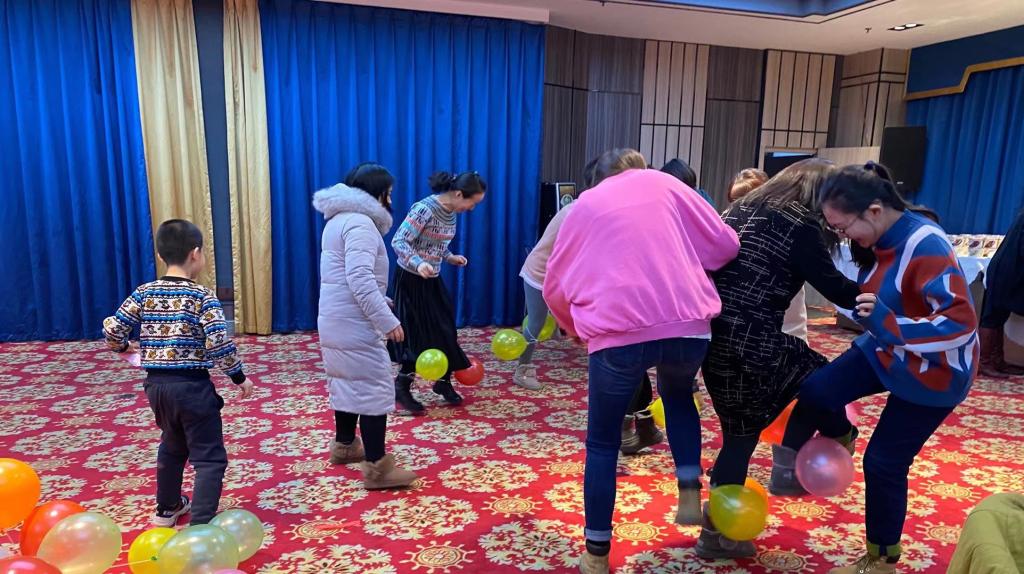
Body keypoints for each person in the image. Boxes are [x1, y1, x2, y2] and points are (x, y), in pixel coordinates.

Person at [544, 148, 740, 574]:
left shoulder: (585, 204)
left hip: (618, 333)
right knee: (678, 397)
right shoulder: (669, 184)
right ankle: (688, 488)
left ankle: (597, 553)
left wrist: (572, 328)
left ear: (598, 179)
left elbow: (553, 283)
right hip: (688, 325)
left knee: (602, 442)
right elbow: (726, 246)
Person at [781, 162, 978, 574]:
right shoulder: (878, 239)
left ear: (873, 210)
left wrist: (889, 323)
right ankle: (843, 435)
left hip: (936, 370)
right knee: (816, 391)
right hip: (888, 347)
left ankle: (882, 559)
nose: (843, 237)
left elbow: (961, 324)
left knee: (884, 463)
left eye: (843, 228)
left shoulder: (927, 244)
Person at [698, 159, 862, 558]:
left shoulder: (737, 210)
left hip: (713, 339)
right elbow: (835, 288)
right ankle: (838, 438)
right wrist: (886, 295)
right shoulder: (799, 223)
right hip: (755, 341)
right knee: (824, 382)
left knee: (739, 437)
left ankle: (716, 531)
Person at [102, 219, 253, 527]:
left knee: (172, 445)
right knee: (209, 457)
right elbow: (218, 342)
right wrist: (238, 376)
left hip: (157, 388)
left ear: (161, 256)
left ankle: (167, 508)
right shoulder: (202, 297)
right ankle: (201, 525)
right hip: (193, 387)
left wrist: (124, 348)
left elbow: (113, 329)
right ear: (196, 254)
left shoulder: (144, 292)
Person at [314, 163, 416, 490]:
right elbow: (359, 278)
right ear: (377, 193)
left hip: (337, 318)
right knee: (372, 387)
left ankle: (345, 446)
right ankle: (377, 469)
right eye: (389, 193)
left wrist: (379, 301)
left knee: (347, 381)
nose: (391, 199)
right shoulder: (360, 223)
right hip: (354, 322)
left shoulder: (338, 220)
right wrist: (386, 320)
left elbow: (345, 278)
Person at [390, 171, 487, 414]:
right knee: (416, 335)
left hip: (430, 279)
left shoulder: (451, 212)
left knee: (445, 329)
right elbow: (399, 241)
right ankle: (401, 387)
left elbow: (435, 244)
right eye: (472, 203)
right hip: (410, 280)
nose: (472, 208)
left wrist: (449, 257)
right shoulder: (424, 209)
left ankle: (443, 382)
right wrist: (418, 263)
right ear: (459, 194)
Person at [516, 158, 599, 391]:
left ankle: (558, 331)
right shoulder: (578, 212)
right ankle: (522, 369)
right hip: (540, 274)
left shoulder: (584, 208)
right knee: (535, 322)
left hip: (560, 276)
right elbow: (568, 253)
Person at [728, 167, 808, 341]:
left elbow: (793, 317)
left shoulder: (784, 238)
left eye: (750, 202)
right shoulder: (726, 234)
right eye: (735, 202)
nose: (742, 210)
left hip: (781, 335)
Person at [978, 206, 1024, 377]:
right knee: (993, 316)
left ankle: (997, 361)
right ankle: (984, 362)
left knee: (998, 314)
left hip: (1006, 268)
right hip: (1008, 271)